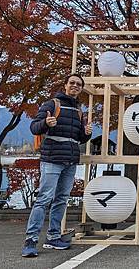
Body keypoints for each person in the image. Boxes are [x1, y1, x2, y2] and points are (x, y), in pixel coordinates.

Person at [22, 73, 92, 257]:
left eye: (79, 84)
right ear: (66, 85)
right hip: (52, 159)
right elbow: (34, 127)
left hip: (70, 160)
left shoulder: (79, 110)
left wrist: (86, 133)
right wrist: (46, 122)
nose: (75, 86)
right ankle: (31, 240)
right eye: (72, 83)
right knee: (44, 199)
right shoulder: (52, 104)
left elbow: (78, 138)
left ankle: (53, 237)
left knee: (61, 199)